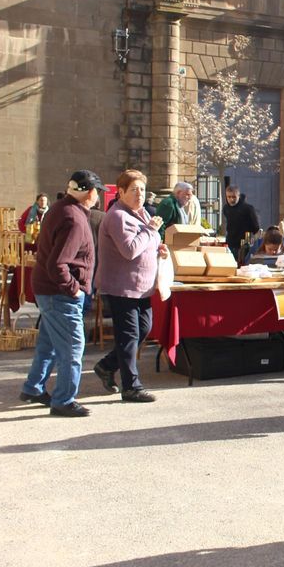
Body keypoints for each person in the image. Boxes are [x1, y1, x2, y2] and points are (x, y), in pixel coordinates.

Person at [19, 170, 105, 417]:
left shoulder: (62, 209)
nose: (97, 195)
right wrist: (74, 289)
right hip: (61, 294)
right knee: (72, 347)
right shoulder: (74, 219)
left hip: (50, 291)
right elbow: (58, 264)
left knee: (48, 344)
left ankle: (33, 388)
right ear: (90, 193)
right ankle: (64, 399)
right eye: (96, 191)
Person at [92, 170, 168, 403]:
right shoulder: (117, 217)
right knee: (129, 335)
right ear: (121, 192)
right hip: (121, 286)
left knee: (143, 329)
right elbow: (130, 250)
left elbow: (147, 242)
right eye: (134, 190)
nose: (139, 194)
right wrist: (151, 231)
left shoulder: (142, 213)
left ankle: (106, 366)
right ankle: (131, 386)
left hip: (142, 286)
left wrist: (159, 248)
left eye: (142, 190)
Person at [222, 185, 261, 264]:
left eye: (234, 197)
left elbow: (256, 226)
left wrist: (249, 239)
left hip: (246, 239)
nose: (231, 199)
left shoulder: (248, 208)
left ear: (238, 196)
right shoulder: (226, 208)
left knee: (243, 263)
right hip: (231, 240)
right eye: (229, 197)